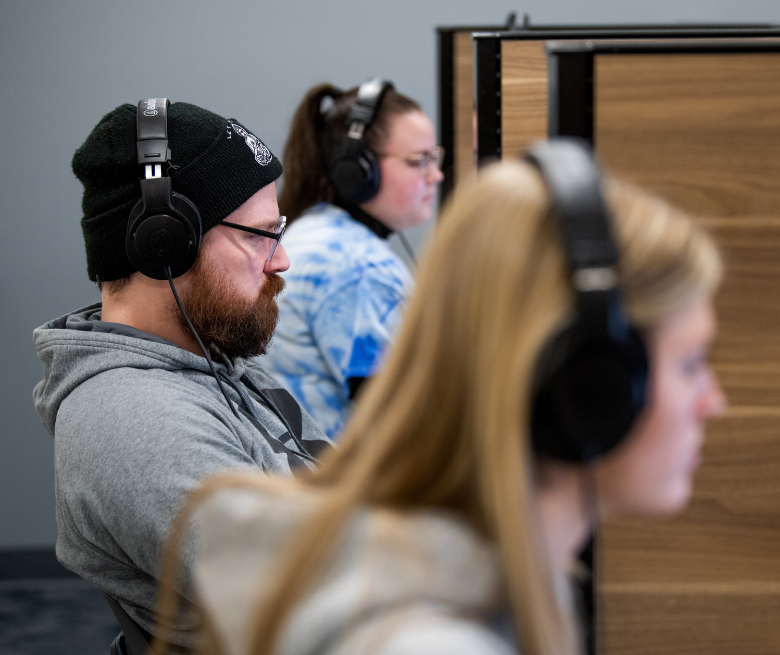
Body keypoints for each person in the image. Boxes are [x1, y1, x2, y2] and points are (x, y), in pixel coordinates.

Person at [154, 140, 725, 655]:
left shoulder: (521, 568)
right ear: (592, 387)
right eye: (691, 364)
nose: (713, 402)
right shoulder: (432, 641)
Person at [32, 98, 330, 651]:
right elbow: (325, 603)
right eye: (259, 234)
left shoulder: (214, 366)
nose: (282, 259)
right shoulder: (134, 420)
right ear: (164, 244)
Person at [257, 78, 444, 440]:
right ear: (357, 171)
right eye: (418, 160)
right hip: (342, 483)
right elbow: (409, 423)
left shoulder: (320, 232)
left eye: (435, 157)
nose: (436, 175)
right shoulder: (356, 267)